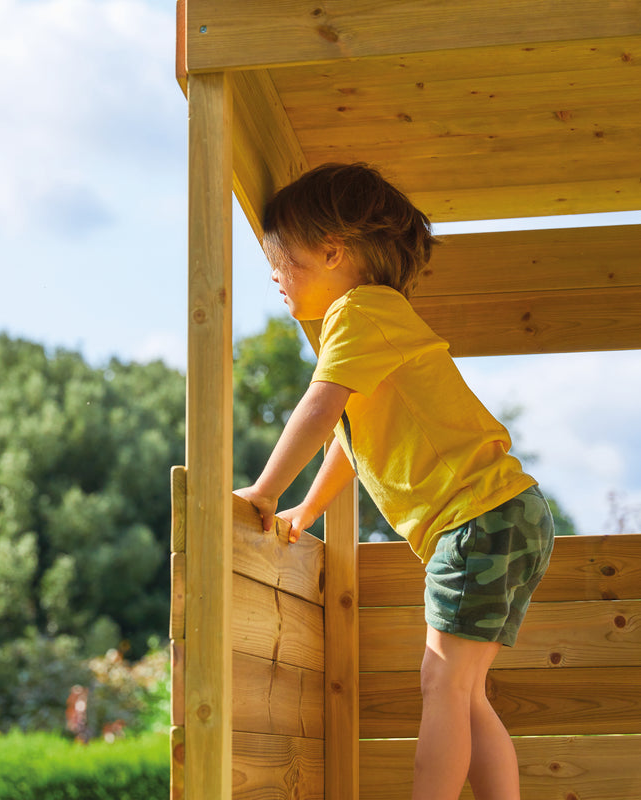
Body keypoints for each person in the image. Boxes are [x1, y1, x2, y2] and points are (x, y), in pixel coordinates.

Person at [235, 162, 555, 800]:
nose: (272, 274)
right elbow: (350, 447)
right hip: (509, 516)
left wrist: (264, 491)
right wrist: (304, 509)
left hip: (476, 519)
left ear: (332, 251)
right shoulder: (378, 325)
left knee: (442, 685)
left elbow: (319, 410)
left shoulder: (359, 312)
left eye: (281, 258)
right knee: (465, 693)